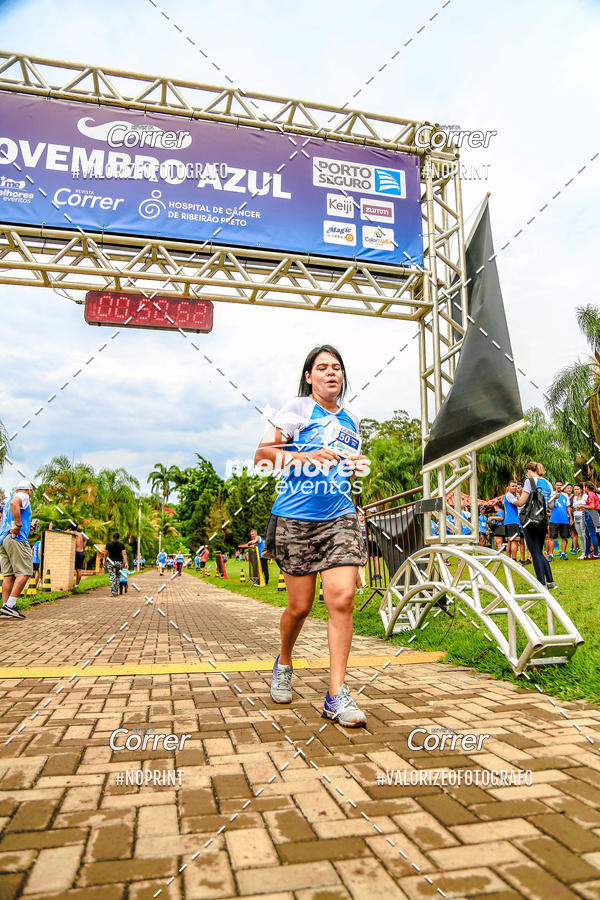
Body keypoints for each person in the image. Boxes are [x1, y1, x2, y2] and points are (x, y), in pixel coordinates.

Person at [256, 344, 369, 727]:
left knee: (342, 597)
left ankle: (336, 694)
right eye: (322, 368)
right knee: (300, 607)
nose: (331, 373)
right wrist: (303, 457)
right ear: (309, 377)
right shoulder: (297, 409)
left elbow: (350, 464)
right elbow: (262, 455)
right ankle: (284, 660)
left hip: (339, 515)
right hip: (296, 519)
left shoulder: (352, 420)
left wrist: (355, 466)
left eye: (336, 367)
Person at [512, 462, 555, 588]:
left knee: (535, 552)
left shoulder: (529, 481)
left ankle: (541, 584)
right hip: (542, 521)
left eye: (526, 471)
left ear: (529, 470)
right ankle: (551, 581)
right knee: (539, 552)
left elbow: (521, 502)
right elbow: (551, 505)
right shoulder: (548, 483)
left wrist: (516, 497)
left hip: (530, 521)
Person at [0, 480, 35, 619]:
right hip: (16, 539)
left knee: (8, 575)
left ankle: (5, 607)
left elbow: (11, 509)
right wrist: (19, 525)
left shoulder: (8, 500)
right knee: (25, 572)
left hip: (4, 539)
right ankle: (10, 605)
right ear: (28, 490)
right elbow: (15, 504)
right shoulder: (23, 496)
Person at [548, 481, 571, 561]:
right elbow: (550, 506)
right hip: (554, 520)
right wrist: (554, 498)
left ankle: (563, 554)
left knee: (564, 538)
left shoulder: (565, 495)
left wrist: (570, 518)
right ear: (555, 486)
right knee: (552, 538)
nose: (559, 486)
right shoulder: (552, 494)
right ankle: (551, 555)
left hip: (564, 520)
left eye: (560, 485)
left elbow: (568, 507)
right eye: (557, 485)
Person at [103, 532, 128, 597]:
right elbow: (124, 554)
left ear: (112, 537)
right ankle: (116, 591)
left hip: (111, 562)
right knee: (117, 577)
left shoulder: (108, 544)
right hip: (119, 563)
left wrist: (105, 560)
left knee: (112, 577)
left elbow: (105, 554)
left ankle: (114, 592)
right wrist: (126, 562)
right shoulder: (121, 545)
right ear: (119, 538)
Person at [582, 481, 600, 559]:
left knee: (592, 534)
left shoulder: (591, 495)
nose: (583, 489)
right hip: (594, 514)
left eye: (584, 487)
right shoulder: (594, 494)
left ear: (586, 488)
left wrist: (582, 506)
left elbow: (592, 506)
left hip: (590, 514)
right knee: (587, 534)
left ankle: (595, 553)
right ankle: (586, 553)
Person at [503, 481, 521, 561]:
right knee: (515, 541)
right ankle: (514, 559)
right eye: (513, 486)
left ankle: (508, 559)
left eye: (516, 486)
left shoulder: (507, 496)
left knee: (509, 541)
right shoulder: (510, 495)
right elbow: (519, 503)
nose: (515, 488)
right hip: (513, 521)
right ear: (509, 487)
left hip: (508, 521)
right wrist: (518, 496)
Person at [571, 484, 588, 560]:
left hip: (583, 516)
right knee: (580, 535)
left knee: (584, 534)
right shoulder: (574, 498)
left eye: (577, 489)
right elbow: (572, 508)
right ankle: (583, 552)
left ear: (581, 490)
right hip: (576, 517)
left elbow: (589, 506)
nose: (576, 491)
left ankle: (587, 552)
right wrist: (574, 509)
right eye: (575, 489)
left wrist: (581, 506)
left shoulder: (585, 497)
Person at [68, 523, 88, 588]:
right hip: (81, 552)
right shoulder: (81, 534)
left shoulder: (71, 533)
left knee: (71, 569)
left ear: (70, 528)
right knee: (79, 570)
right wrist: (82, 545)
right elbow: (86, 540)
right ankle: (76, 585)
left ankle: (71, 584)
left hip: (76, 553)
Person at [563, 484, 578, 554]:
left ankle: (574, 548)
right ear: (564, 489)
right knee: (564, 534)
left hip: (573, 516)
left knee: (574, 533)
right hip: (564, 517)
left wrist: (571, 510)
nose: (569, 489)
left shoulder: (574, 497)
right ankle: (563, 551)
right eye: (567, 488)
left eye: (570, 488)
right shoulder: (563, 496)